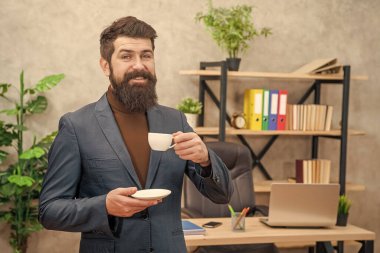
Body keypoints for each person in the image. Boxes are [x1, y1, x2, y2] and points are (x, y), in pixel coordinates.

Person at [39, 16, 233, 253]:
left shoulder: (176, 120)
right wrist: (104, 206)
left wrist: (205, 159)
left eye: (146, 55)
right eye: (126, 56)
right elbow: (49, 211)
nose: (139, 65)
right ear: (105, 65)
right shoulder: (76, 126)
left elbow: (222, 195)